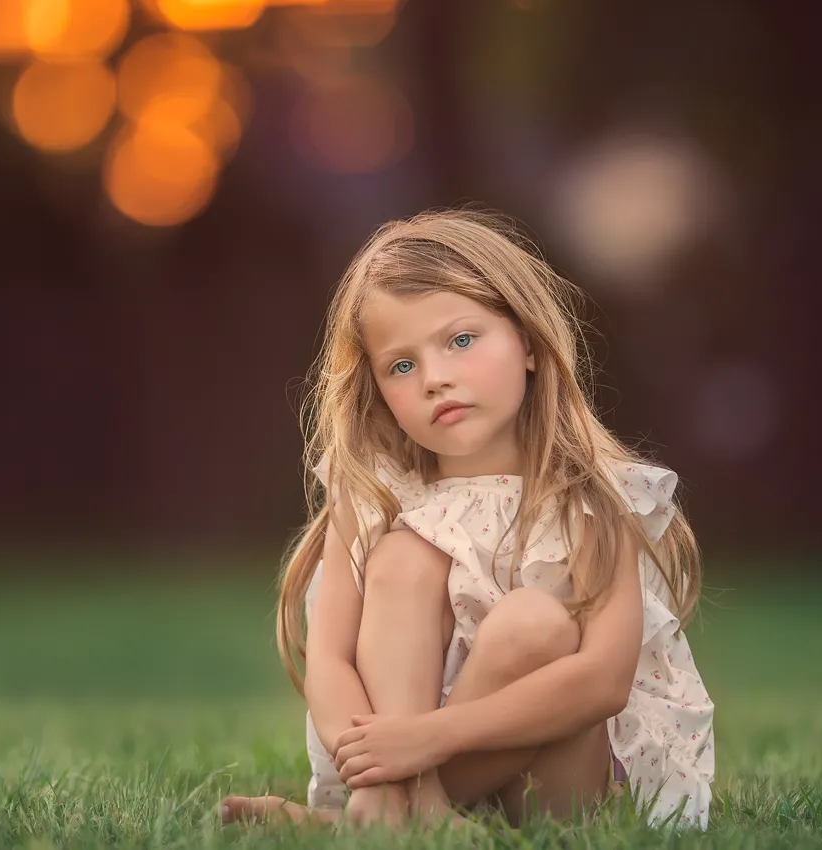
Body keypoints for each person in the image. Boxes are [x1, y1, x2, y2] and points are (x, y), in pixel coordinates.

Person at [221, 208, 714, 830]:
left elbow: (602, 683)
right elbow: (330, 662)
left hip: (559, 787)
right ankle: (393, 812)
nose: (436, 379)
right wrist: (376, 769)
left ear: (529, 344)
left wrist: (431, 737)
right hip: (402, 766)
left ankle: (392, 817)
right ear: (376, 386)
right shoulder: (376, 493)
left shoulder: (593, 499)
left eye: (460, 341)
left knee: (533, 622)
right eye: (402, 365)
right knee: (401, 555)